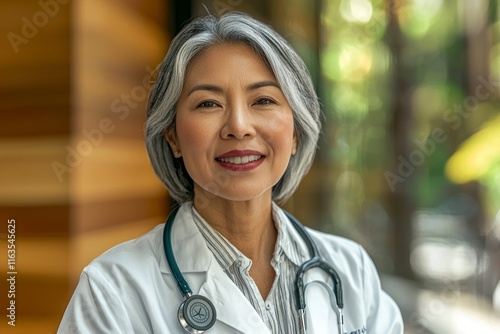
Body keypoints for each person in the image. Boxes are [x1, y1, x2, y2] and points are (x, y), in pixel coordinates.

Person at [58, 12, 404, 334]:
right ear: (173, 137)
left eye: (263, 100)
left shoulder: (351, 270)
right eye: (208, 103)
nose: (238, 127)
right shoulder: (112, 290)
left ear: (296, 132)